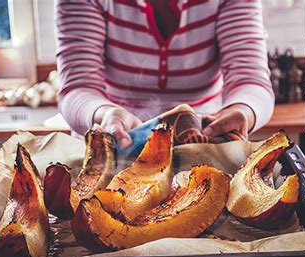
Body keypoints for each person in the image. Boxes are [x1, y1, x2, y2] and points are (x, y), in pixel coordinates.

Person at [54, 0, 274, 148]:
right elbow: (78, 88)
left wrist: (243, 110)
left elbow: (250, 80)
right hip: (113, 146)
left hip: (203, 148)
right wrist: (105, 114)